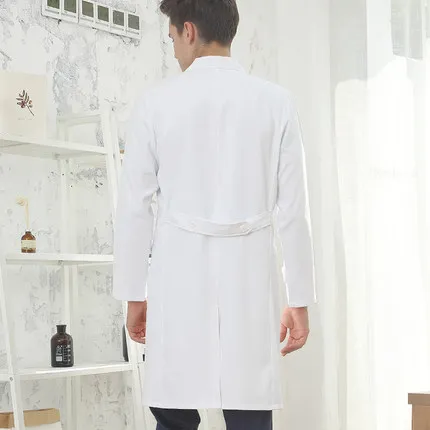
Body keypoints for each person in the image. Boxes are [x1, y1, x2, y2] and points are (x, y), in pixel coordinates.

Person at [113, 0, 316, 429]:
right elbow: (294, 212)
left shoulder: (155, 104)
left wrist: (134, 295)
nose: (173, 49)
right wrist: (298, 299)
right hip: (249, 277)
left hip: (178, 278)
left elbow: (134, 209)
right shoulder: (277, 103)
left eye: (171, 37)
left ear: (188, 31)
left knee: (173, 413)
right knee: (249, 411)